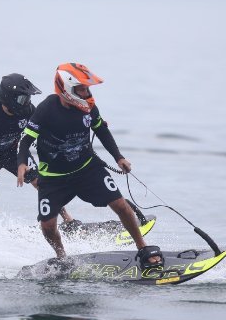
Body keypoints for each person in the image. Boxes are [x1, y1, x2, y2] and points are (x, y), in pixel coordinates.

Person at [16, 63, 164, 268]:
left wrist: (118, 157)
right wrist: (22, 163)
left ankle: (142, 247)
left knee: (120, 204)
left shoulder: (89, 107)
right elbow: (26, 139)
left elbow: (101, 131)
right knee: (48, 226)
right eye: (82, 89)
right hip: (54, 178)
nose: (86, 93)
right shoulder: (47, 108)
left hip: (87, 169)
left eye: (87, 88)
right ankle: (62, 257)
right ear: (67, 88)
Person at [0, 73, 75, 228]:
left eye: (28, 98)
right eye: (22, 99)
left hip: (12, 152)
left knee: (43, 184)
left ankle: (69, 221)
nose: (27, 103)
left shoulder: (28, 111)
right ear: (8, 98)